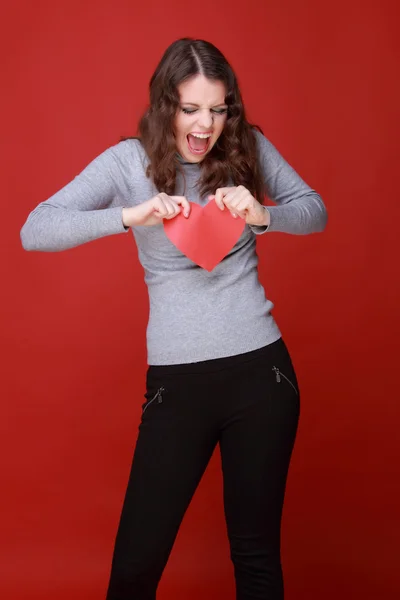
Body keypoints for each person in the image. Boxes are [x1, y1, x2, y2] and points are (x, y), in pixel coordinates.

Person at [20, 37, 327, 600]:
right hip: (177, 386)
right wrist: (127, 216)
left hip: (262, 376)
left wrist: (264, 215)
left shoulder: (248, 147)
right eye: (191, 109)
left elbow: (315, 210)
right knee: (136, 568)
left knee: (256, 559)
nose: (206, 125)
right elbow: (35, 228)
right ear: (165, 104)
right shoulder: (127, 163)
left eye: (218, 108)